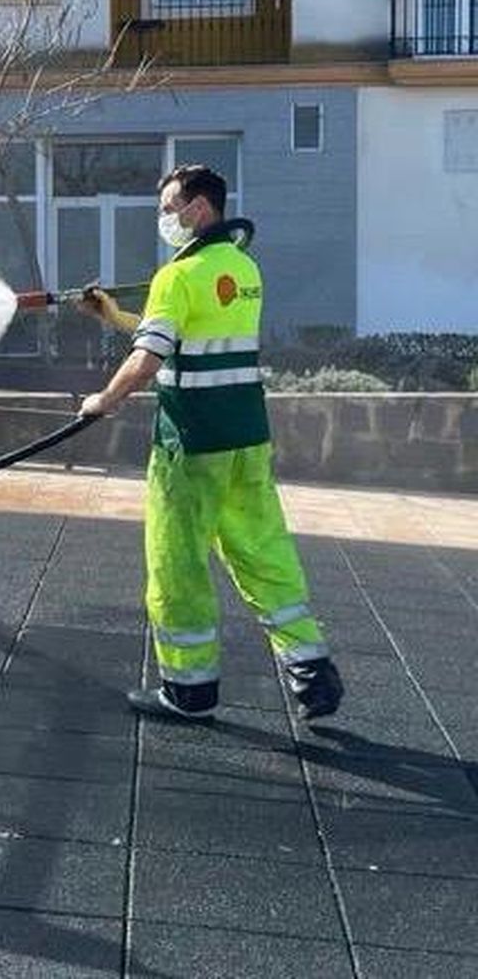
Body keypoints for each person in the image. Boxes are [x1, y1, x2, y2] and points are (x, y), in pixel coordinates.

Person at [78, 164, 344, 722]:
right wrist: (116, 316)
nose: (164, 219)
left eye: (170, 207)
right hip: (245, 437)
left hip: (191, 444)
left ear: (199, 208)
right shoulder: (244, 269)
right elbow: (187, 337)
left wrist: (104, 400)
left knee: (177, 565)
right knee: (263, 551)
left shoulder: (177, 277)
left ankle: (189, 690)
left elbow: (150, 357)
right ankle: (311, 670)